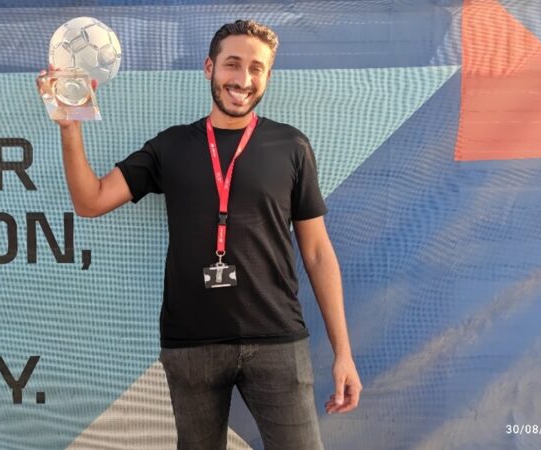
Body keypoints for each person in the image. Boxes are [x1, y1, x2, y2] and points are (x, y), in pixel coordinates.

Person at [40, 19, 361, 450]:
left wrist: (343, 352)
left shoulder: (291, 146)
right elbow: (91, 200)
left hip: (278, 341)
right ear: (209, 67)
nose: (243, 80)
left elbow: (318, 252)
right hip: (192, 346)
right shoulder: (170, 147)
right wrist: (70, 127)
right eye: (232, 64)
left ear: (267, 76)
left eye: (256, 68)